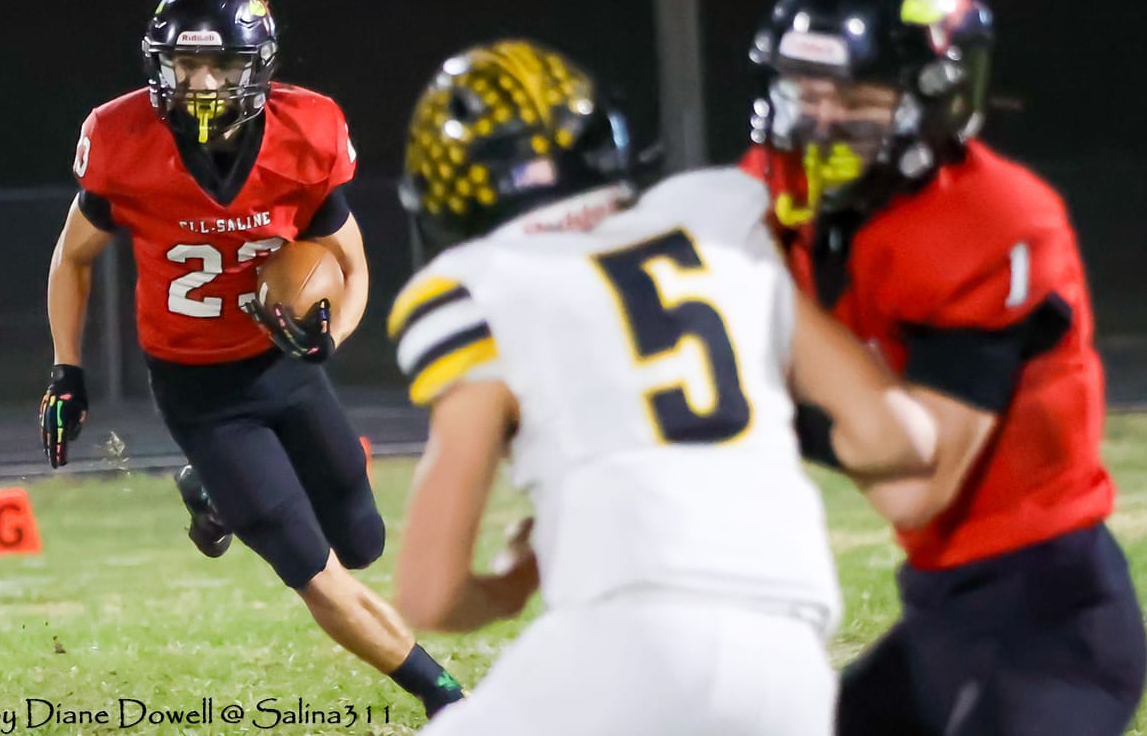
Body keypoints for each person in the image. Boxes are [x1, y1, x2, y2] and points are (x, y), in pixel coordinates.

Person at [387, 40, 939, 735]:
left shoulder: (486, 284)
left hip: (629, 643)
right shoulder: (715, 226)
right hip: (791, 661)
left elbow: (429, 594)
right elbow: (897, 437)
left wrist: (514, 581)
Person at [39, 0, 466, 719]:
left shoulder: (307, 132)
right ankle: (445, 696)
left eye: (220, 65)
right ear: (160, 63)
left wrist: (328, 336)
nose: (200, 83)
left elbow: (354, 268)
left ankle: (213, 491)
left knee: (361, 541)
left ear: (257, 66)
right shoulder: (121, 136)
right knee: (313, 566)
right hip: (200, 390)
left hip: (284, 370)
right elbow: (73, 257)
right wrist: (66, 368)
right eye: (184, 64)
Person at [744, 0, 1147, 732]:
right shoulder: (775, 188)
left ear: (938, 96)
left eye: (855, 98)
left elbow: (914, 486)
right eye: (805, 91)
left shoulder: (993, 219)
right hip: (942, 614)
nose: (820, 123)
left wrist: (765, 372)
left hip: (1048, 624)